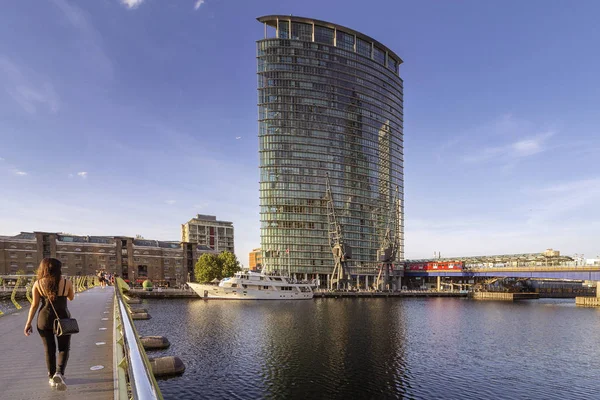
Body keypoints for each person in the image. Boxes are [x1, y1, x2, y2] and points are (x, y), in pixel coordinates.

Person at [24, 258, 75, 391]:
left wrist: (28, 323)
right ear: (59, 269)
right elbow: (71, 297)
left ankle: (51, 377)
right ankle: (60, 373)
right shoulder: (66, 282)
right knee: (63, 348)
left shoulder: (38, 284)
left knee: (49, 349)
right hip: (62, 319)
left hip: (44, 319)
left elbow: (34, 305)